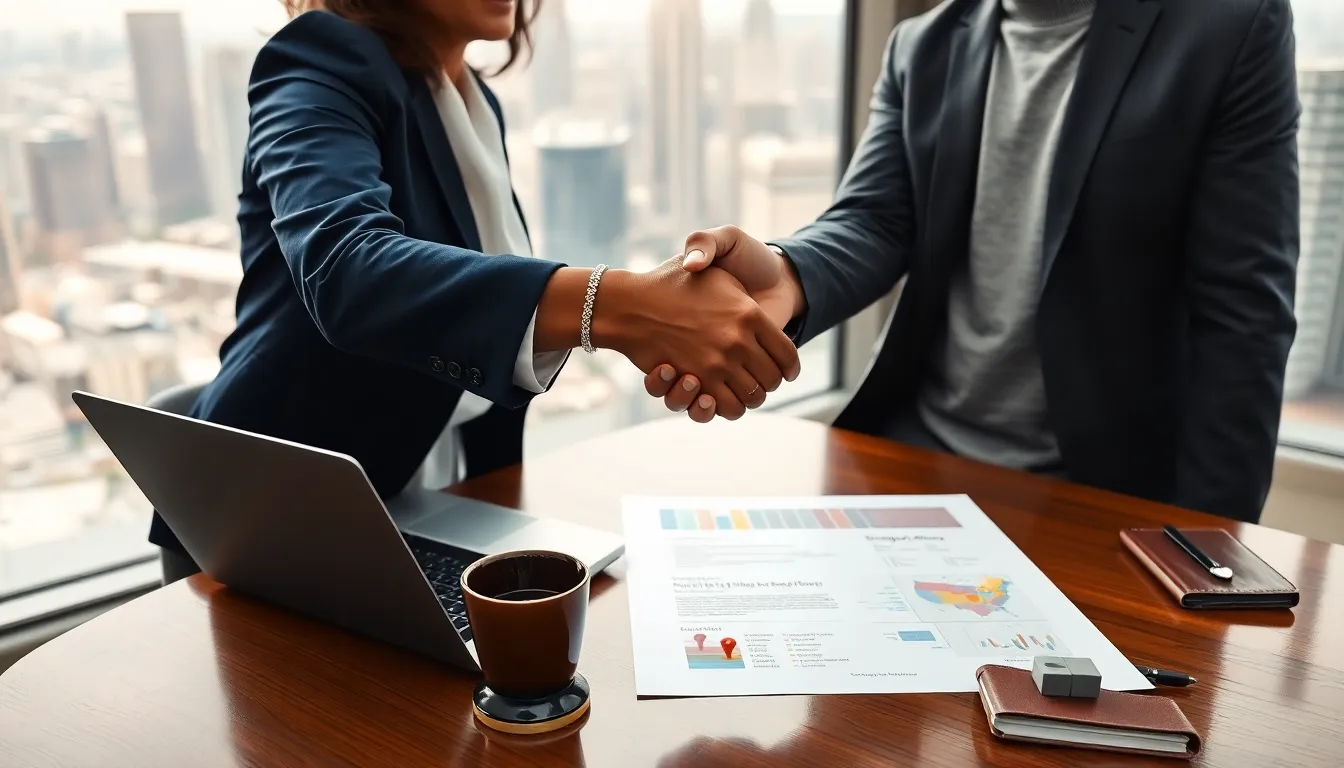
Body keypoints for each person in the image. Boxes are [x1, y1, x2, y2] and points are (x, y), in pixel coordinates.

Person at [155, 0, 800, 583]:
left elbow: (475, 304)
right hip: (279, 520)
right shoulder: (319, 61)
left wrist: (660, 310)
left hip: (431, 504)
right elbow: (346, 269)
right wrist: (618, 306)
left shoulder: (469, 99)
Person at [647, 0, 1299, 524]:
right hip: (915, 466)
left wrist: (1207, 544)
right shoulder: (921, 44)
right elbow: (874, 219)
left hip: (1102, 497)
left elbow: (1244, 312)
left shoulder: (1231, 27)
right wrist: (785, 276)